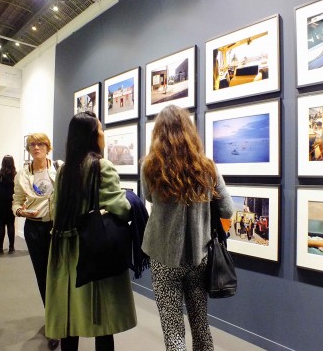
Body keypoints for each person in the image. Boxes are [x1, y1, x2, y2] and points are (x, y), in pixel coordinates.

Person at [141, 105, 234, 351]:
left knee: (173, 333)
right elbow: (227, 210)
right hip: (199, 256)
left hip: (163, 257)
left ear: (158, 133)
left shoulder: (150, 166)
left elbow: (149, 198)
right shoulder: (207, 167)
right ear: (190, 131)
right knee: (201, 325)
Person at [46, 111, 136, 351]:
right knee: (101, 320)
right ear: (91, 136)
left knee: (69, 318)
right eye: (100, 129)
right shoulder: (100, 166)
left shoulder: (65, 170)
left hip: (65, 251)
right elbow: (123, 209)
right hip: (93, 250)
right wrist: (130, 199)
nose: (103, 134)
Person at [12, 133, 61, 350]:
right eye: (32, 144)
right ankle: (53, 323)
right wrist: (20, 211)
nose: (36, 147)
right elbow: (16, 201)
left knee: (60, 275)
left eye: (40, 144)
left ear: (47, 147)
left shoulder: (59, 168)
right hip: (34, 229)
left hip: (57, 228)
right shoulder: (23, 174)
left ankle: (65, 318)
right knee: (43, 276)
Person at [0, 155, 17, 254]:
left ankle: (0, 248)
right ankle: (11, 247)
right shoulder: (16, 174)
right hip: (11, 199)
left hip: (1, 200)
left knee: (1, 223)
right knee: (11, 223)